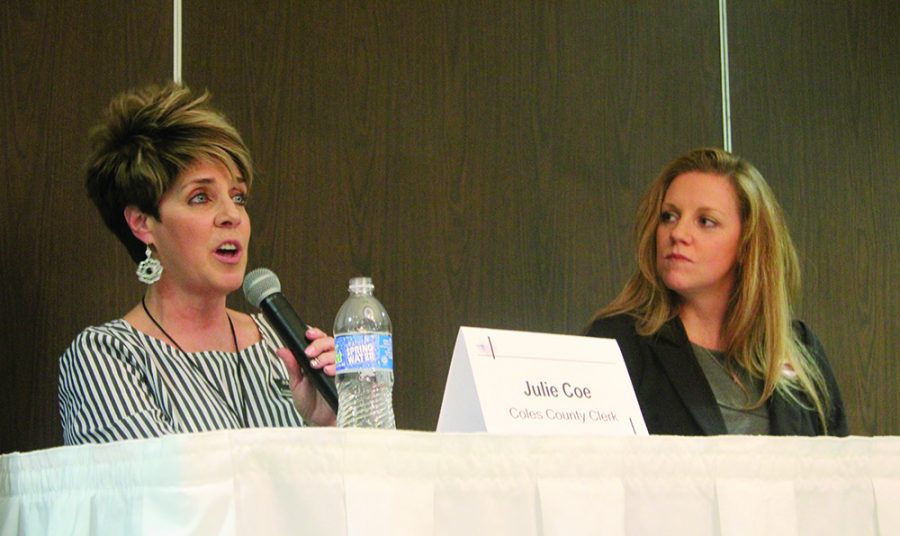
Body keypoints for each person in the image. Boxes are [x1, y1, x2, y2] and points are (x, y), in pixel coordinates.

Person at [58, 82, 336, 445]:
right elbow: (154, 496)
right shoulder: (105, 359)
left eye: (238, 196)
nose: (231, 215)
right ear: (143, 223)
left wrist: (329, 427)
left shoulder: (281, 344)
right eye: (201, 197)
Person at [585, 147, 847, 436]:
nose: (678, 234)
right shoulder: (618, 342)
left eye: (705, 221)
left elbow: (841, 472)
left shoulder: (801, 350)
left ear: (747, 245)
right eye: (669, 216)